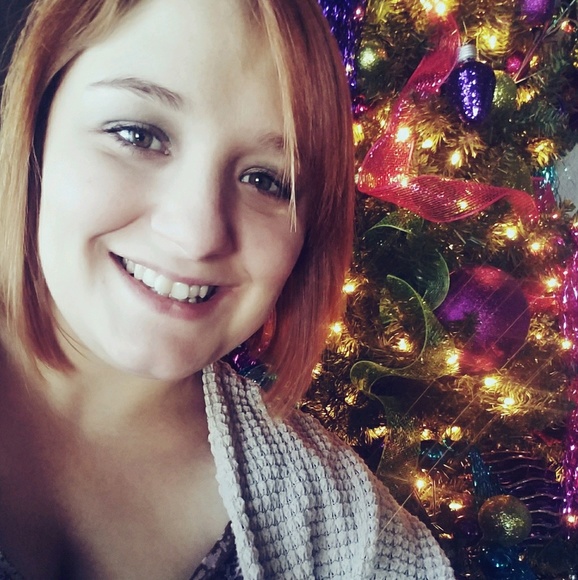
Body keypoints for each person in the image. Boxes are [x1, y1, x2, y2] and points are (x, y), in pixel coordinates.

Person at [0, 0, 455, 578]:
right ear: (35, 124)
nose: (197, 236)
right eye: (138, 135)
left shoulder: (343, 528)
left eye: (266, 180)